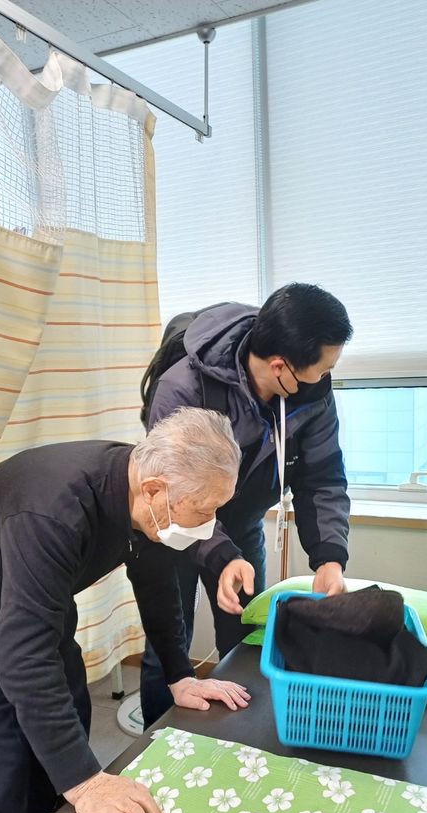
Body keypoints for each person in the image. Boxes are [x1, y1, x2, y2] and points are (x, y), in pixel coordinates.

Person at [0, 408, 250, 813]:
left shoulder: (143, 498)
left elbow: (155, 586)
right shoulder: (55, 508)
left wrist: (179, 674)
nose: (208, 525)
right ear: (153, 491)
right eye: (202, 511)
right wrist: (87, 783)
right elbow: (23, 657)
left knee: (65, 737)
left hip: (42, 612)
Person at [141, 282, 353, 727]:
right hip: (177, 525)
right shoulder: (181, 388)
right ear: (280, 367)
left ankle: (244, 740)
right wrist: (220, 555)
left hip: (242, 522)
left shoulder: (311, 395)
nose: (327, 375)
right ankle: (157, 745)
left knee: (245, 629)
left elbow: (323, 477)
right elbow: (175, 494)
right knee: (170, 642)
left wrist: (329, 559)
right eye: (322, 367)